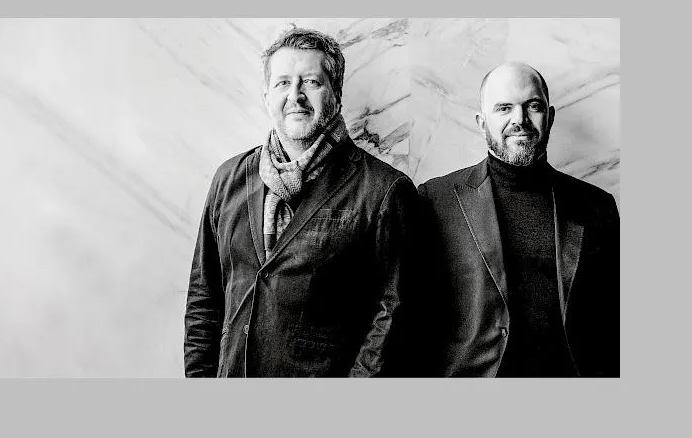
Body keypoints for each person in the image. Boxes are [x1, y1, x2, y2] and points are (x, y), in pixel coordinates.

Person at [184, 26, 420, 377]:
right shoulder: (228, 179)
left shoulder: (385, 190)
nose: (295, 95)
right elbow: (204, 298)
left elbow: (393, 315)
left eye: (310, 82)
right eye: (282, 83)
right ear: (267, 96)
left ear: (336, 93)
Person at [417, 62, 619, 377]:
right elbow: (416, 316)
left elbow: (614, 315)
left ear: (550, 116)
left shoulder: (597, 206)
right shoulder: (436, 199)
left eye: (533, 106)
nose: (519, 119)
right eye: (504, 108)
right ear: (481, 122)